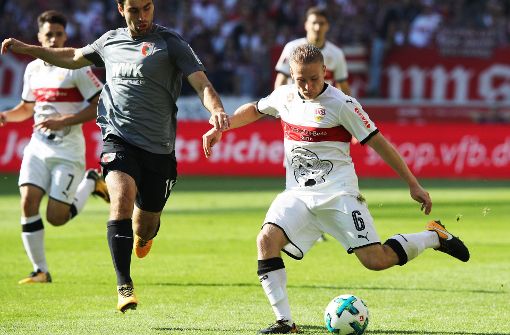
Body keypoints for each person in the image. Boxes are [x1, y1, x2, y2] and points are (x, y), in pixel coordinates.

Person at [202, 44, 469, 334]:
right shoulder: (285, 96)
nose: (307, 85)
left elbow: (379, 143)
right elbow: (255, 110)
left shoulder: (343, 104)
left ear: (324, 72)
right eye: (301, 79)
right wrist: (222, 127)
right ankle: (285, 322)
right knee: (266, 240)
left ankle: (434, 236)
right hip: (298, 195)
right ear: (291, 74)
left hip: (339, 195)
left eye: (314, 78)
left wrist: (412, 183)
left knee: (376, 261)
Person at [2, 0, 229, 313]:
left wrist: (216, 109)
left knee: (145, 224)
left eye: (146, 7)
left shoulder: (171, 43)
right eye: (134, 10)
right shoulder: (109, 41)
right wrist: (31, 49)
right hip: (117, 139)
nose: (141, 15)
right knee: (120, 200)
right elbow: (72, 56)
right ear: (121, 9)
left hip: (158, 149)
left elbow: (201, 83)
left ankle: (144, 235)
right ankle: (124, 286)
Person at [0, 10, 109, 285]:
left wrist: (65, 120)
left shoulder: (77, 68)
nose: (53, 39)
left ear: (65, 37)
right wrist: (4, 116)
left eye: (58, 34)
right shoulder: (32, 69)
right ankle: (40, 270)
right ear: (39, 37)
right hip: (38, 146)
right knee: (28, 201)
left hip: (68, 150)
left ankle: (91, 183)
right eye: (48, 34)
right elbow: (26, 108)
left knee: (57, 218)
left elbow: (100, 105)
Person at [274, 6, 351, 96]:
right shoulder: (292, 48)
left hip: (323, 106)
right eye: (314, 23)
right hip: (296, 105)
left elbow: (342, 85)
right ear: (306, 25)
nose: (317, 27)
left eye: (321, 23)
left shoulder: (336, 53)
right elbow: (281, 80)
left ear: (327, 26)